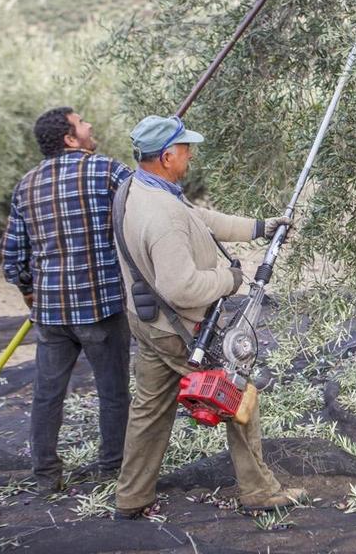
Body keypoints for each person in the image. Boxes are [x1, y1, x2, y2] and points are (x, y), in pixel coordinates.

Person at [112, 115, 304, 519]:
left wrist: (259, 227)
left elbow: (198, 221)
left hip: (146, 322)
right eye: (185, 150)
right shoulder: (162, 217)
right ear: (166, 156)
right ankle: (259, 491)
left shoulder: (136, 188)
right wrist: (230, 279)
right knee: (238, 395)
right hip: (178, 329)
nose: (191, 156)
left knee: (149, 409)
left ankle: (132, 497)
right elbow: (181, 287)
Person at [0, 107, 133, 492]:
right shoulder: (106, 170)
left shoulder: (26, 185)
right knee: (113, 394)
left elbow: (11, 255)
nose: (91, 125)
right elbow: (148, 202)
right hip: (101, 309)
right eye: (83, 122)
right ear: (70, 139)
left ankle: (46, 476)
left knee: (47, 395)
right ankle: (113, 469)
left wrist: (29, 291)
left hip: (51, 314)